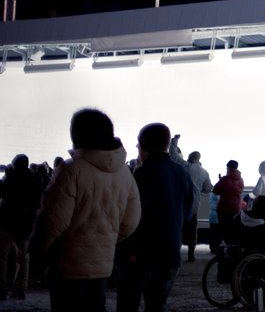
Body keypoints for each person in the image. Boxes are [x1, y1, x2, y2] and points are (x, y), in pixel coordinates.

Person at [28, 108, 142, 312]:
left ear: (77, 134)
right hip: (103, 266)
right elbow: (131, 221)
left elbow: (52, 222)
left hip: (67, 266)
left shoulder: (71, 169)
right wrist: (103, 239)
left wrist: (36, 252)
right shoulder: (125, 172)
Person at [116, 122, 194, 312]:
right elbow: (189, 212)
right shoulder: (182, 173)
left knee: (127, 306)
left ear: (144, 146)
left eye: (138, 144)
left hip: (142, 256)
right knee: (157, 306)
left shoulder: (143, 173)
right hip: (170, 255)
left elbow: (133, 215)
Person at [0, 153, 44, 300]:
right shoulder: (35, 180)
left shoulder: (9, 178)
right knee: (23, 257)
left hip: (6, 222)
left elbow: (3, 194)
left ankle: (1, 288)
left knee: (2, 256)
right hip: (25, 225)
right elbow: (37, 202)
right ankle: (20, 288)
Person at [183, 151, 213, 262]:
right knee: (192, 230)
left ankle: (174, 251)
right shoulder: (204, 172)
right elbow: (207, 189)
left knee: (178, 228)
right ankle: (191, 254)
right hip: (194, 205)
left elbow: (174, 156)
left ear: (190, 158)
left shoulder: (186, 167)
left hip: (181, 204)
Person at [213, 160, 245, 225]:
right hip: (236, 208)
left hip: (224, 208)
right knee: (232, 229)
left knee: (224, 229)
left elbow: (215, 191)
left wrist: (220, 181)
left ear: (228, 168)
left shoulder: (224, 179)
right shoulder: (241, 180)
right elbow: (240, 190)